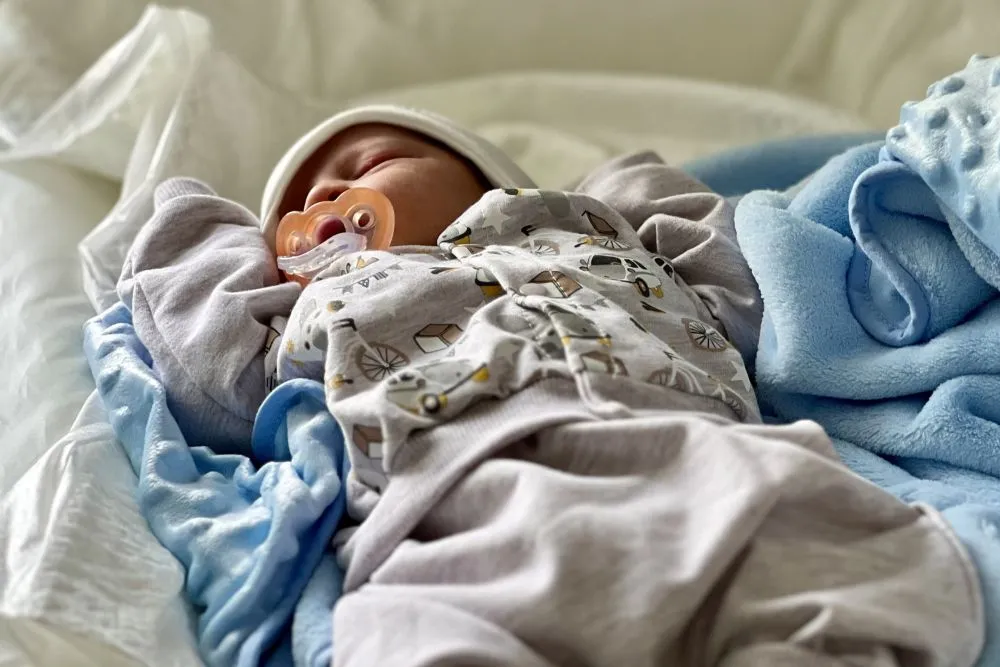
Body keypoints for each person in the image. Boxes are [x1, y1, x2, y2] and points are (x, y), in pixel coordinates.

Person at [118, 104, 983, 666]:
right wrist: (189, 218)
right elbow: (209, 381)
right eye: (292, 220)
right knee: (413, 637)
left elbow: (745, 300)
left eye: (369, 162)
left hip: (706, 463)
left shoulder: (589, 232)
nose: (326, 200)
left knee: (878, 577)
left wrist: (621, 193)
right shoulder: (318, 313)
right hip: (465, 513)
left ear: (490, 182)